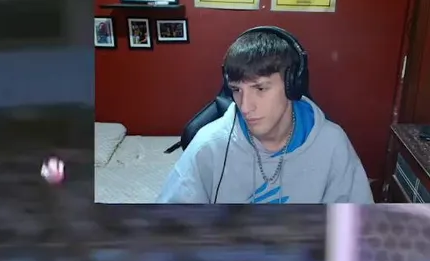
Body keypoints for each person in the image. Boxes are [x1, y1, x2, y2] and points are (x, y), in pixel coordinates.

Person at [156, 28, 373, 204]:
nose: (245, 107)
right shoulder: (208, 146)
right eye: (237, 90)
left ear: (292, 85)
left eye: (260, 88)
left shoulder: (332, 143)